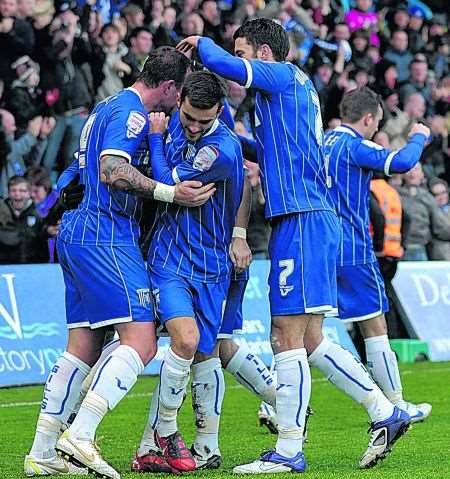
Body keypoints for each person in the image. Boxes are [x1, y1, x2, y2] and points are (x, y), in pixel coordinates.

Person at [24, 48, 215, 479]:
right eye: (179, 91)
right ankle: (82, 434)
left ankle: (41, 452)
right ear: (168, 88)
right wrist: (171, 193)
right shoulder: (131, 114)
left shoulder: (106, 105)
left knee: (83, 348)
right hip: (107, 235)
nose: (179, 99)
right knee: (142, 341)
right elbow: (112, 171)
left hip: (77, 231)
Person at [178, 18, 340, 474]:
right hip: (302, 218)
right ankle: (380, 410)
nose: (240, 61)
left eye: (244, 51)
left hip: (302, 217)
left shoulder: (284, 75)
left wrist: (202, 44)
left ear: (264, 54)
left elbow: (224, 64)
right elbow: (267, 153)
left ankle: (289, 448)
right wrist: (236, 142)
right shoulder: (285, 97)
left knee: (286, 338)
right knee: (301, 338)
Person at [133, 70, 244, 474]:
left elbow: (167, 182)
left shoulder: (220, 150)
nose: (195, 127)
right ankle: (165, 430)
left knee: (205, 352)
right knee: (186, 339)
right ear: (178, 100)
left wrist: (239, 234)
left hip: (212, 263)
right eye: (189, 118)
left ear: (219, 111)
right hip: (169, 261)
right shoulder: (175, 120)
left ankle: (158, 447)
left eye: (204, 120)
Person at [320, 87, 432, 467]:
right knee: (374, 329)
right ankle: (394, 405)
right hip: (353, 250)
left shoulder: (322, 141)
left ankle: (280, 407)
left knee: (307, 332)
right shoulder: (354, 145)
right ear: (368, 119)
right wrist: (420, 135)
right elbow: (401, 163)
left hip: (320, 248)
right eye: (377, 123)